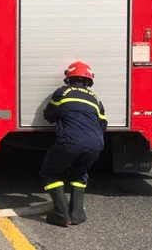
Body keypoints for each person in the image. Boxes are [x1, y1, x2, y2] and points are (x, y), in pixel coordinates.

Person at [39, 61, 107, 227]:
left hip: (69, 141)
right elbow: (103, 124)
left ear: (68, 79)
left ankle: (62, 215)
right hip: (95, 144)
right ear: (89, 81)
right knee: (80, 172)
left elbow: (48, 115)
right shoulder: (96, 99)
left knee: (50, 172)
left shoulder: (62, 93)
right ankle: (77, 214)